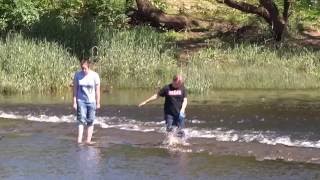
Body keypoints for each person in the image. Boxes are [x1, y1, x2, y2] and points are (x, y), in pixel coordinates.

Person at [73, 58, 100, 144]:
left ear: (89, 67)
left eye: (85, 68)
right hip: (81, 101)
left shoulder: (95, 76)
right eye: (82, 68)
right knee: (81, 120)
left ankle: (88, 141)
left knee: (90, 121)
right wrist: (74, 102)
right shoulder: (77, 75)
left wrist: (98, 102)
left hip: (92, 101)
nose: (83, 70)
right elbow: (75, 89)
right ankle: (79, 140)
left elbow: (97, 90)